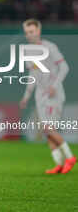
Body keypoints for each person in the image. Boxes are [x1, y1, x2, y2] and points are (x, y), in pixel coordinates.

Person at [19, 19, 76, 174]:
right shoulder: (27, 52)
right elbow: (33, 75)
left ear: (38, 31)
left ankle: (70, 157)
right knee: (47, 131)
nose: (29, 35)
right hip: (40, 95)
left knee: (48, 128)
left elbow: (64, 67)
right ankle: (59, 164)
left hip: (53, 94)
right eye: (26, 32)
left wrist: (54, 86)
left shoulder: (50, 47)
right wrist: (26, 96)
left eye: (31, 31)